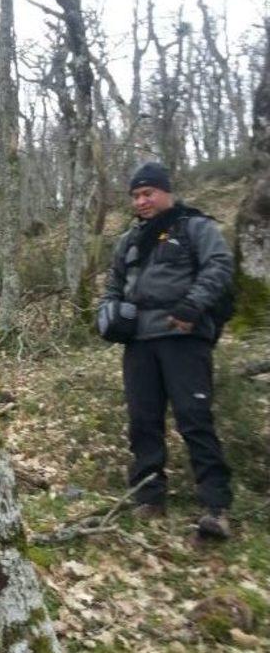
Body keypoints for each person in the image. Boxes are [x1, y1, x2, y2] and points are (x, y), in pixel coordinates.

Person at [100, 162, 234, 539]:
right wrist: (108, 314)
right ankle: (149, 495)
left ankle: (216, 505)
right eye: (136, 196)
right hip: (139, 344)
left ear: (166, 192)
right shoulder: (129, 241)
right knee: (143, 421)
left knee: (195, 417)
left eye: (148, 193)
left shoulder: (196, 227)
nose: (141, 201)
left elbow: (220, 267)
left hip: (183, 339)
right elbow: (113, 286)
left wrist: (193, 304)